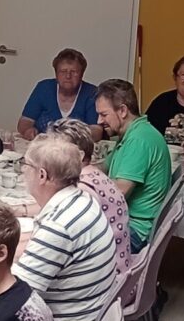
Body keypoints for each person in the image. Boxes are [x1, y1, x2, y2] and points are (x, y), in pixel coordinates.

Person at [15, 136, 117, 321]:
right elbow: (38, 245)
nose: (22, 171)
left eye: (26, 165)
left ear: (42, 175)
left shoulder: (59, 224)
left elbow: (13, 298)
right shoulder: (81, 200)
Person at [45, 118, 132, 276]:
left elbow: (61, 236)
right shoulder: (94, 174)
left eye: (55, 152)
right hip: (120, 269)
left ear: (78, 156)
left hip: (107, 279)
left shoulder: (82, 189)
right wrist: (22, 209)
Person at [96, 78, 172, 252]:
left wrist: (80, 190)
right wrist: (72, 169)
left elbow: (120, 191)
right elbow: (103, 167)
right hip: (127, 222)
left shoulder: (139, 140)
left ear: (122, 111)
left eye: (104, 114)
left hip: (134, 232)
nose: (99, 121)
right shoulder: (132, 133)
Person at [18, 48, 102, 142]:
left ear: (82, 74)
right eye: (63, 71)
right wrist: (28, 131)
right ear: (56, 73)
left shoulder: (91, 93)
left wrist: (72, 138)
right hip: (44, 146)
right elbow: (25, 122)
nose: (68, 76)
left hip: (77, 148)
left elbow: (97, 131)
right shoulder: (44, 88)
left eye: (74, 72)